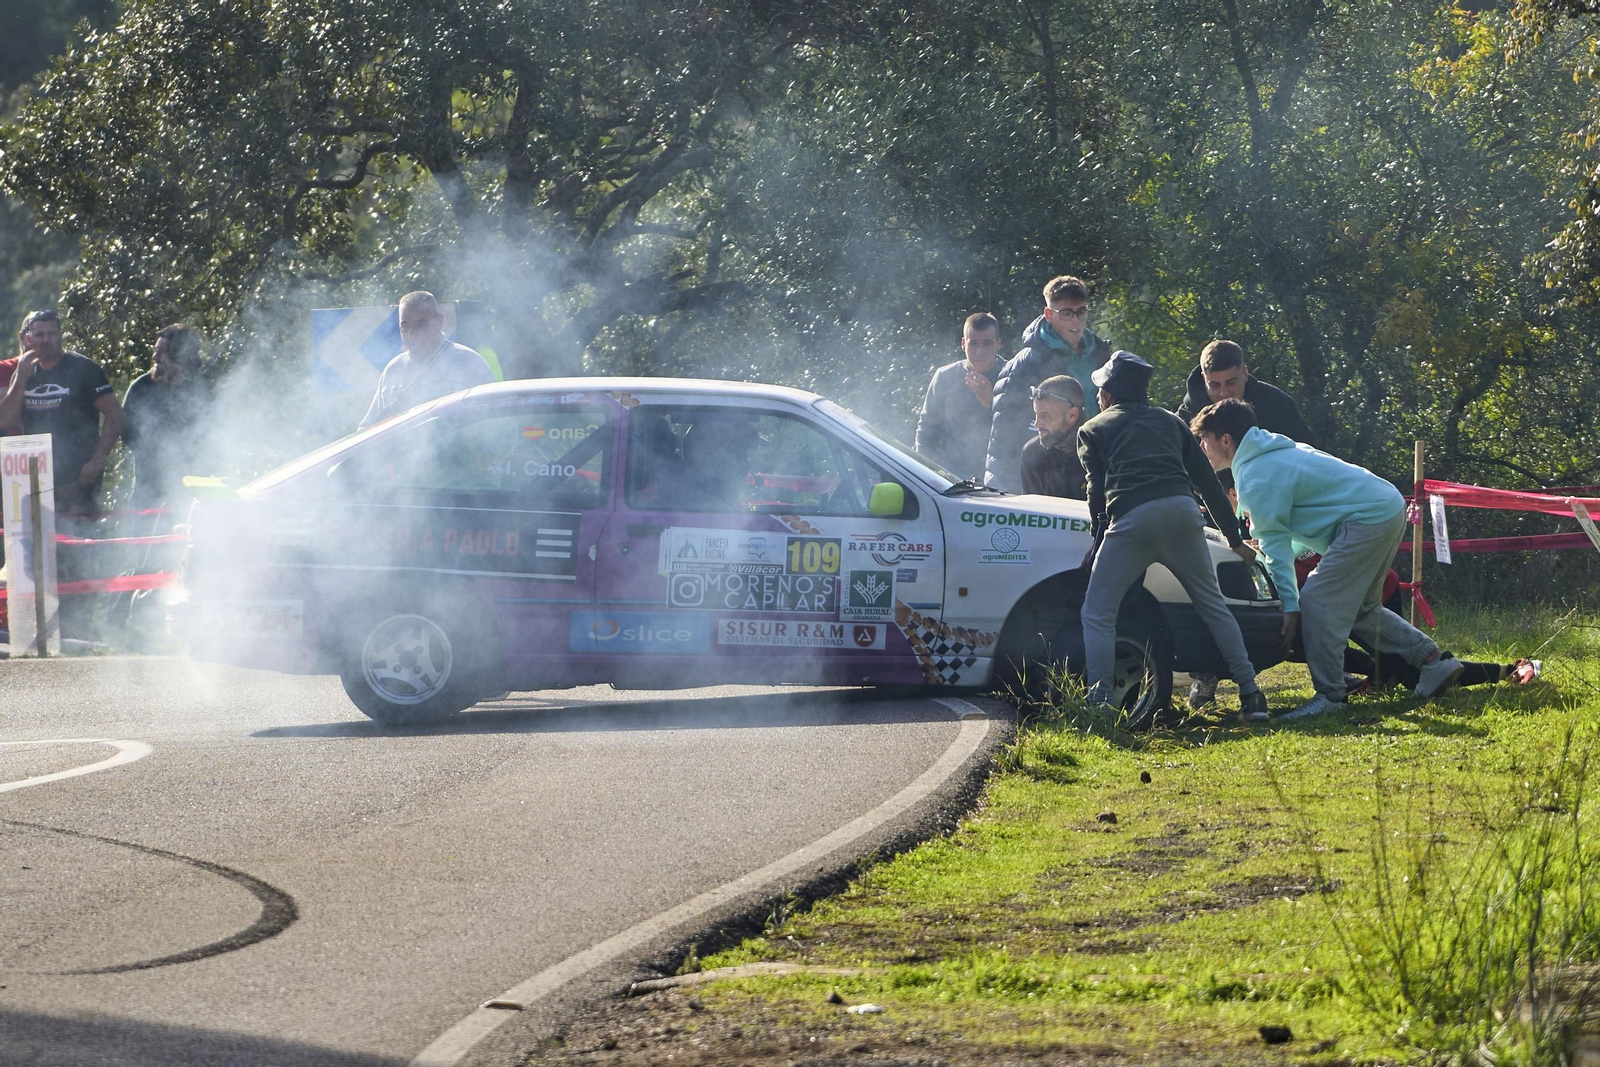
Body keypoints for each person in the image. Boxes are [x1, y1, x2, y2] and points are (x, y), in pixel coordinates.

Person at [1189, 398, 1464, 719]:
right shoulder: (1269, 455)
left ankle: (1330, 695)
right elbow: (1287, 536)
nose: (1201, 447)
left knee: (1317, 598)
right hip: (1385, 507)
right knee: (1362, 608)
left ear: (1225, 440)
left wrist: (1290, 605)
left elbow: (1277, 544)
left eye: (1204, 439)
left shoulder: (1256, 474)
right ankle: (1435, 663)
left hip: (1369, 517)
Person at [1076, 351, 1267, 720]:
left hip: (1131, 519)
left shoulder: (1093, 428)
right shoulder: (1171, 422)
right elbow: (1208, 485)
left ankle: (1098, 705)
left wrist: (1097, 542)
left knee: (1098, 612)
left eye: (1101, 388)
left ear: (1109, 394)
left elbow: (1095, 494)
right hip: (1182, 513)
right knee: (1213, 606)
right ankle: (1251, 694)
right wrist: (1235, 539)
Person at [984, 276, 1112, 493]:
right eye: (1066, 313)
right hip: (1043, 477)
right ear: (1049, 315)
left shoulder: (1101, 356)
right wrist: (1004, 492)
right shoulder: (1026, 363)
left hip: (1092, 469)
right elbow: (1006, 434)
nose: (1075, 321)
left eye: (1081, 312)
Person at [0, 310, 123, 517]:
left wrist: (98, 458)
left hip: (77, 477)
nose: (46, 340)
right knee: (36, 547)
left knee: (75, 542)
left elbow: (115, 414)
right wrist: (20, 378)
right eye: (39, 335)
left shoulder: (84, 368)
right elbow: (5, 420)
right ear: (28, 338)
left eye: (52, 334)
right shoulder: (24, 371)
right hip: (33, 477)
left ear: (61, 335)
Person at [121, 324, 217, 522]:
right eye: (155, 350)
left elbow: (211, 436)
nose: (155, 357)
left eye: (162, 352)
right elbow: (126, 431)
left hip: (190, 488)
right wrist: (153, 448)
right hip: (148, 488)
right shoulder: (142, 386)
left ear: (182, 355)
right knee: (143, 545)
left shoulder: (202, 389)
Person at [357, 291, 495, 430]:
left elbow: (501, 426)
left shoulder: (469, 363)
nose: (411, 334)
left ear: (440, 321)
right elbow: (368, 430)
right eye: (405, 326)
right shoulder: (393, 370)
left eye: (420, 324)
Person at [1174, 340, 1315, 446]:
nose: (1223, 393)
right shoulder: (1188, 416)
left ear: (1244, 373)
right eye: (1215, 385)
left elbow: (1306, 451)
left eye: (1231, 383)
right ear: (1204, 379)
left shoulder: (1274, 403)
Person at [914, 312, 1003, 480]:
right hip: (952, 477)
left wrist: (991, 404)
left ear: (998, 344)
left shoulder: (1011, 376)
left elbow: (1021, 432)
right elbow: (927, 430)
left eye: (987, 344)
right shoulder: (945, 377)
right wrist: (925, 472)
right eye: (973, 343)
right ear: (963, 343)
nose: (979, 351)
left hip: (1000, 478)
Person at [1019, 375, 1087, 499]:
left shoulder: (1100, 451)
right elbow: (1031, 511)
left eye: (1045, 416)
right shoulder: (1032, 453)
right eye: (1036, 415)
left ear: (1072, 415)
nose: (1036, 424)